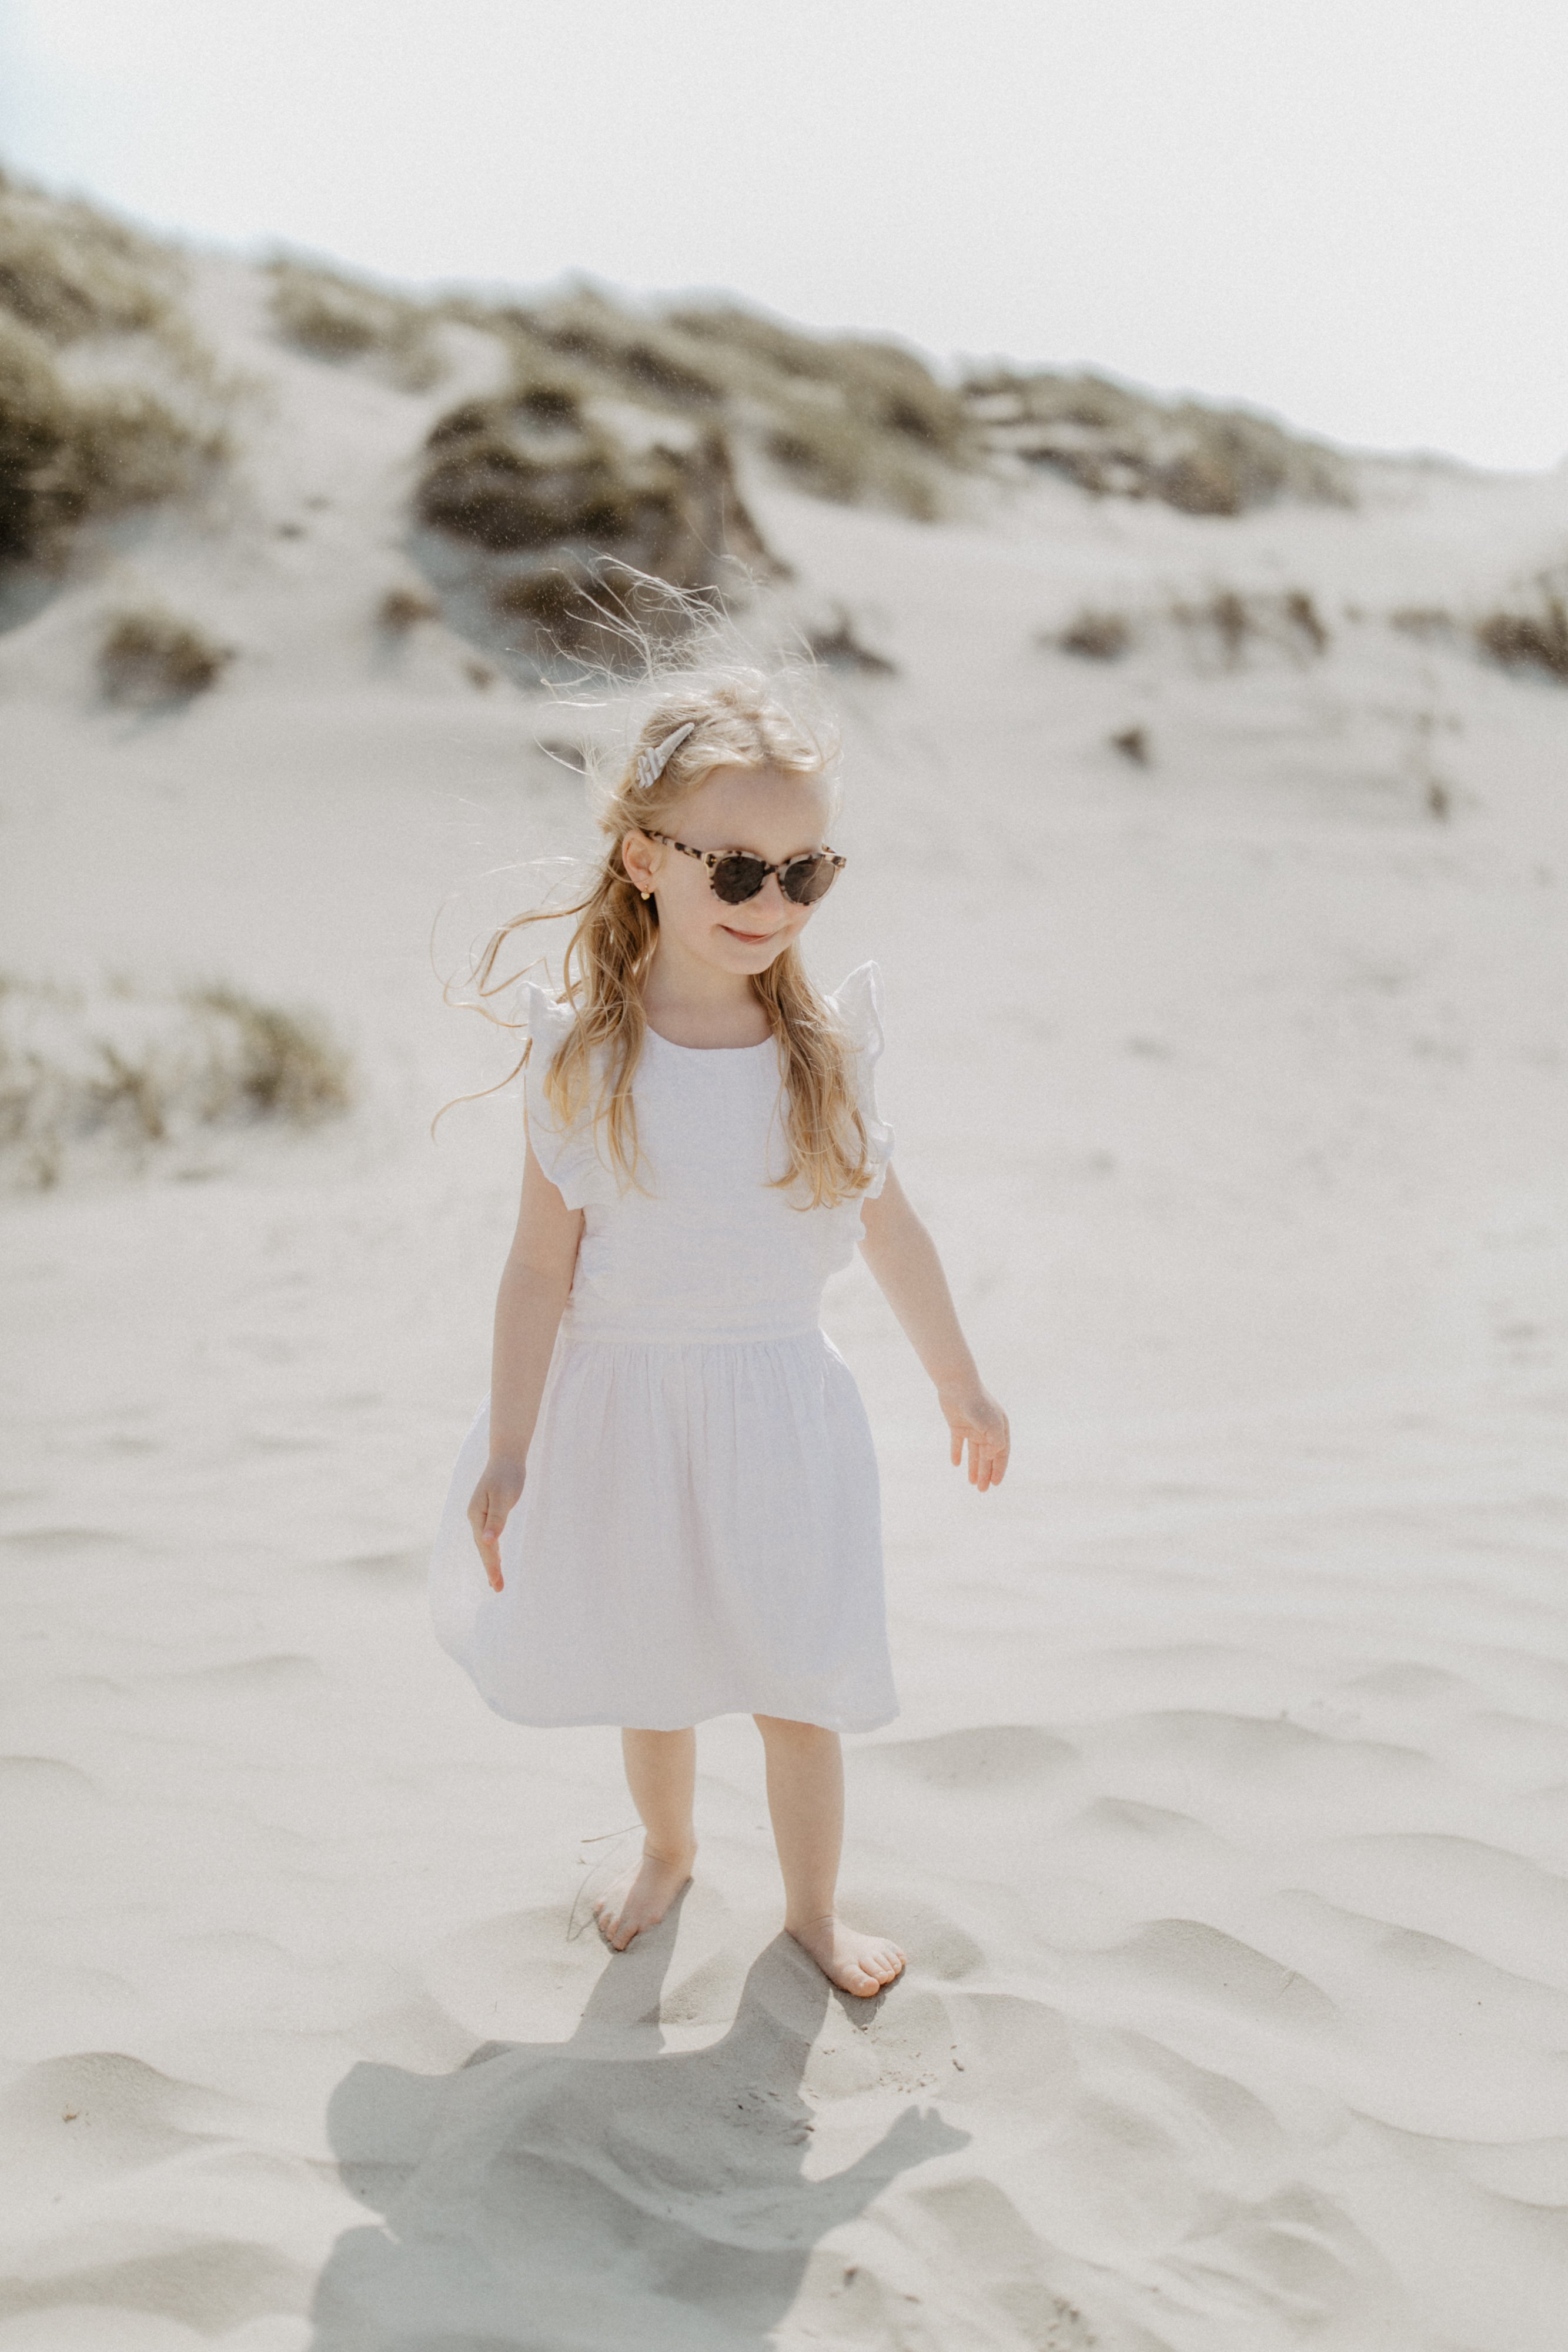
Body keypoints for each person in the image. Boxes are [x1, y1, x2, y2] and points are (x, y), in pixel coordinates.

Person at [429, 671, 1009, 1998]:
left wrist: (960, 1385)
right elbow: (534, 1269)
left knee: (798, 1675)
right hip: (625, 1404)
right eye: (737, 869)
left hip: (781, 1410)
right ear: (644, 858)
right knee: (660, 1664)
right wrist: (511, 1447)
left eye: (807, 871)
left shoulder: (822, 1053)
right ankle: (668, 1847)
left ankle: (813, 1908)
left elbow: (891, 1233)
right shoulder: (586, 1056)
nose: (774, 904)